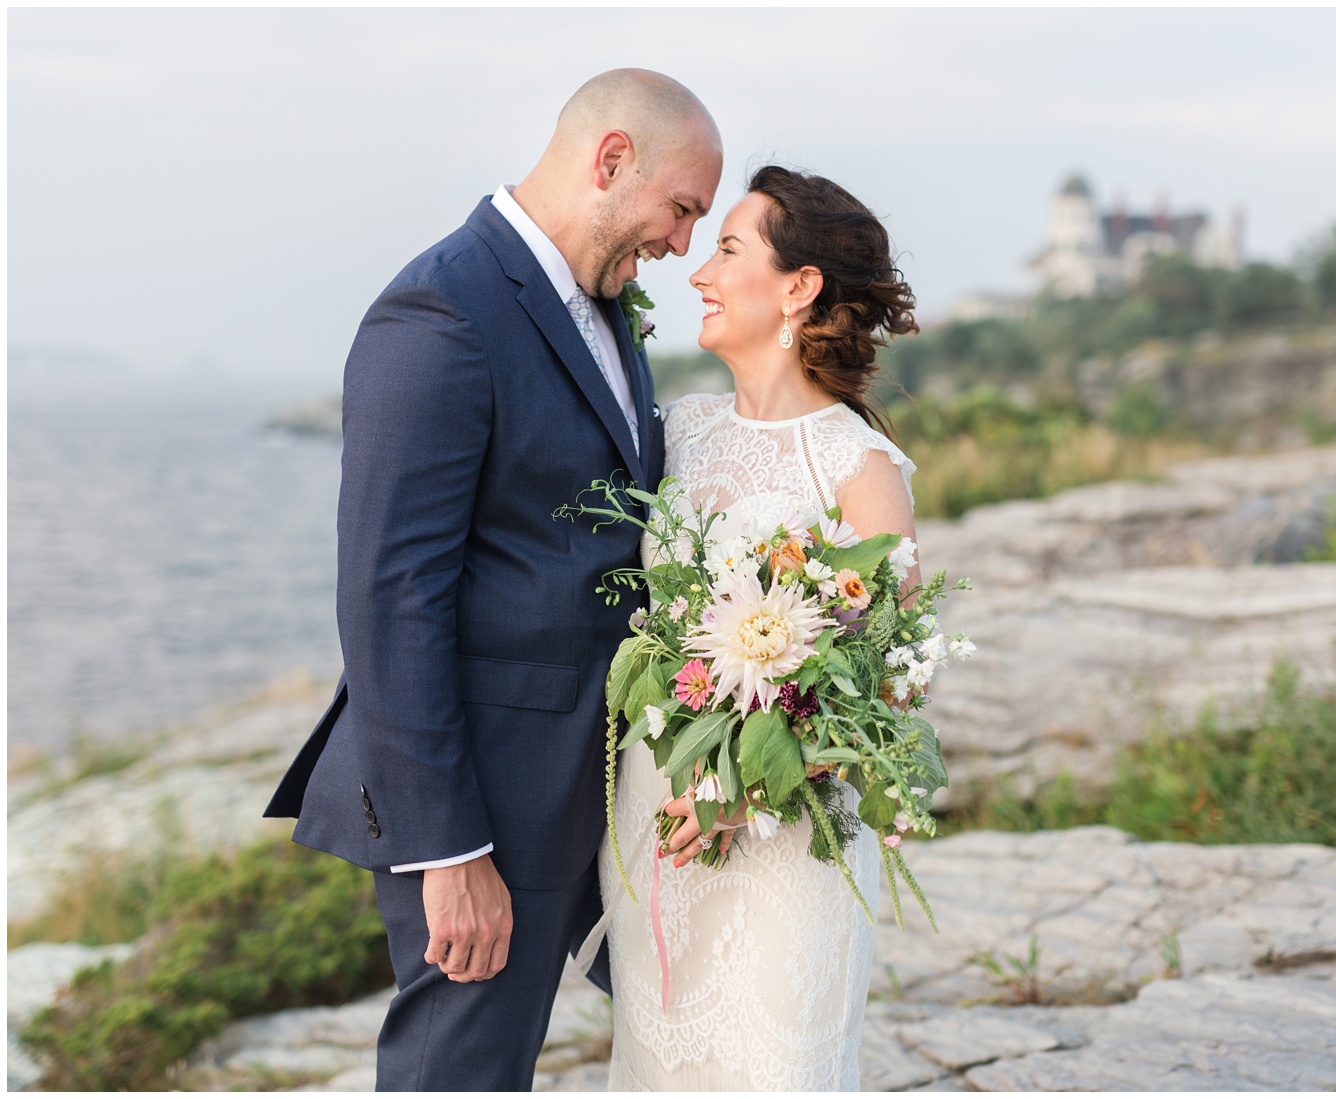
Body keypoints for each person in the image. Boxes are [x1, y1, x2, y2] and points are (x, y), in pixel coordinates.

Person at [263, 69, 723, 1091]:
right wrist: (448, 848)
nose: (683, 243)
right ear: (611, 161)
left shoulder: (599, 305)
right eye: (681, 209)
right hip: (482, 803)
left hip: (593, 784)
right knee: (458, 1077)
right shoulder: (442, 311)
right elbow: (390, 593)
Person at [598, 165, 922, 1089]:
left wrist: (737, 791)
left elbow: (888, 688)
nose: (699, 271)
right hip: (653, 821)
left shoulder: (859, 469)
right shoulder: (674, 431)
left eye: (729, 247)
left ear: (799, 286)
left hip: (786, 841)